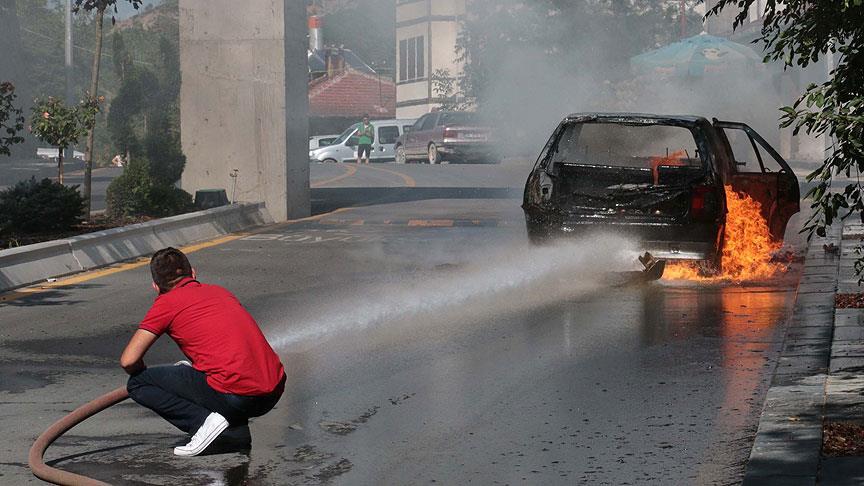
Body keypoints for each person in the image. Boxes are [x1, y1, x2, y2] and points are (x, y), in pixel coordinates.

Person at [120, 247, 285, 456]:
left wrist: (151, 376)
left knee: (138, 383)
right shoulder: (220, 291)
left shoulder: (166, 303)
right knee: (214, 376)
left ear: (155, 286)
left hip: (239, 396)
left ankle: (203, 423)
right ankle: (235, 435)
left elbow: (128, 360)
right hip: (274, 390)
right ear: (194, 273)